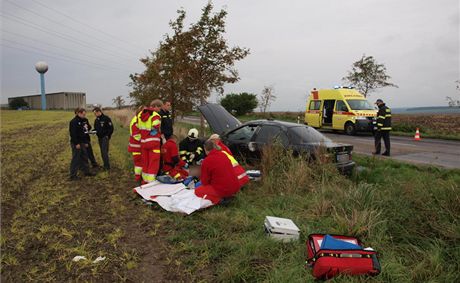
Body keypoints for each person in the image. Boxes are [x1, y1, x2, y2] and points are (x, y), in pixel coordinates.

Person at [194, 140, 242, 205]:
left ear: (205, 148)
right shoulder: (223, 154)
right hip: (235, 187)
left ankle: (220, 200)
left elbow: (205, 182)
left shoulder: (207, 161)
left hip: (223, 190)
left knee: (197, 191)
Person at [138, 99, 163, 183]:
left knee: (145, 163)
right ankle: (150, 183)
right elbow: (156, 126)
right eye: (159, 108)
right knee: (153, 163)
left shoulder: (141, 114)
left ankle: (144, 181)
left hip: (144, 142)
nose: (160, 110)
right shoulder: (155, 115)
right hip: (153, 143)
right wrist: (156, 132)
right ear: (155, 107)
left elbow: (138, 126)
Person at [69, 108, 95, 180]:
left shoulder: (84, 120)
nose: (84, 115)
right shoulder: (73, 122)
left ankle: (86, 171)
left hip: (83, 141)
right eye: (83, 114)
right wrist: (76, 143)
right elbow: (73, 134)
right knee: (76, 159)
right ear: (79, 113)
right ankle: (73, 175)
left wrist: (86, 142)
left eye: (85, 114)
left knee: (84, 157)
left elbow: (85, 132)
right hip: (76, 142)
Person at [128, 106, 144, 182]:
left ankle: (139, 177)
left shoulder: (138, 119)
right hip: (137, 146)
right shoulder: (136, 121)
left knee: (140, 163)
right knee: (138, 163)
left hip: (138, 146)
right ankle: (138, 178)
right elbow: (136, 135)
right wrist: (145, 138)